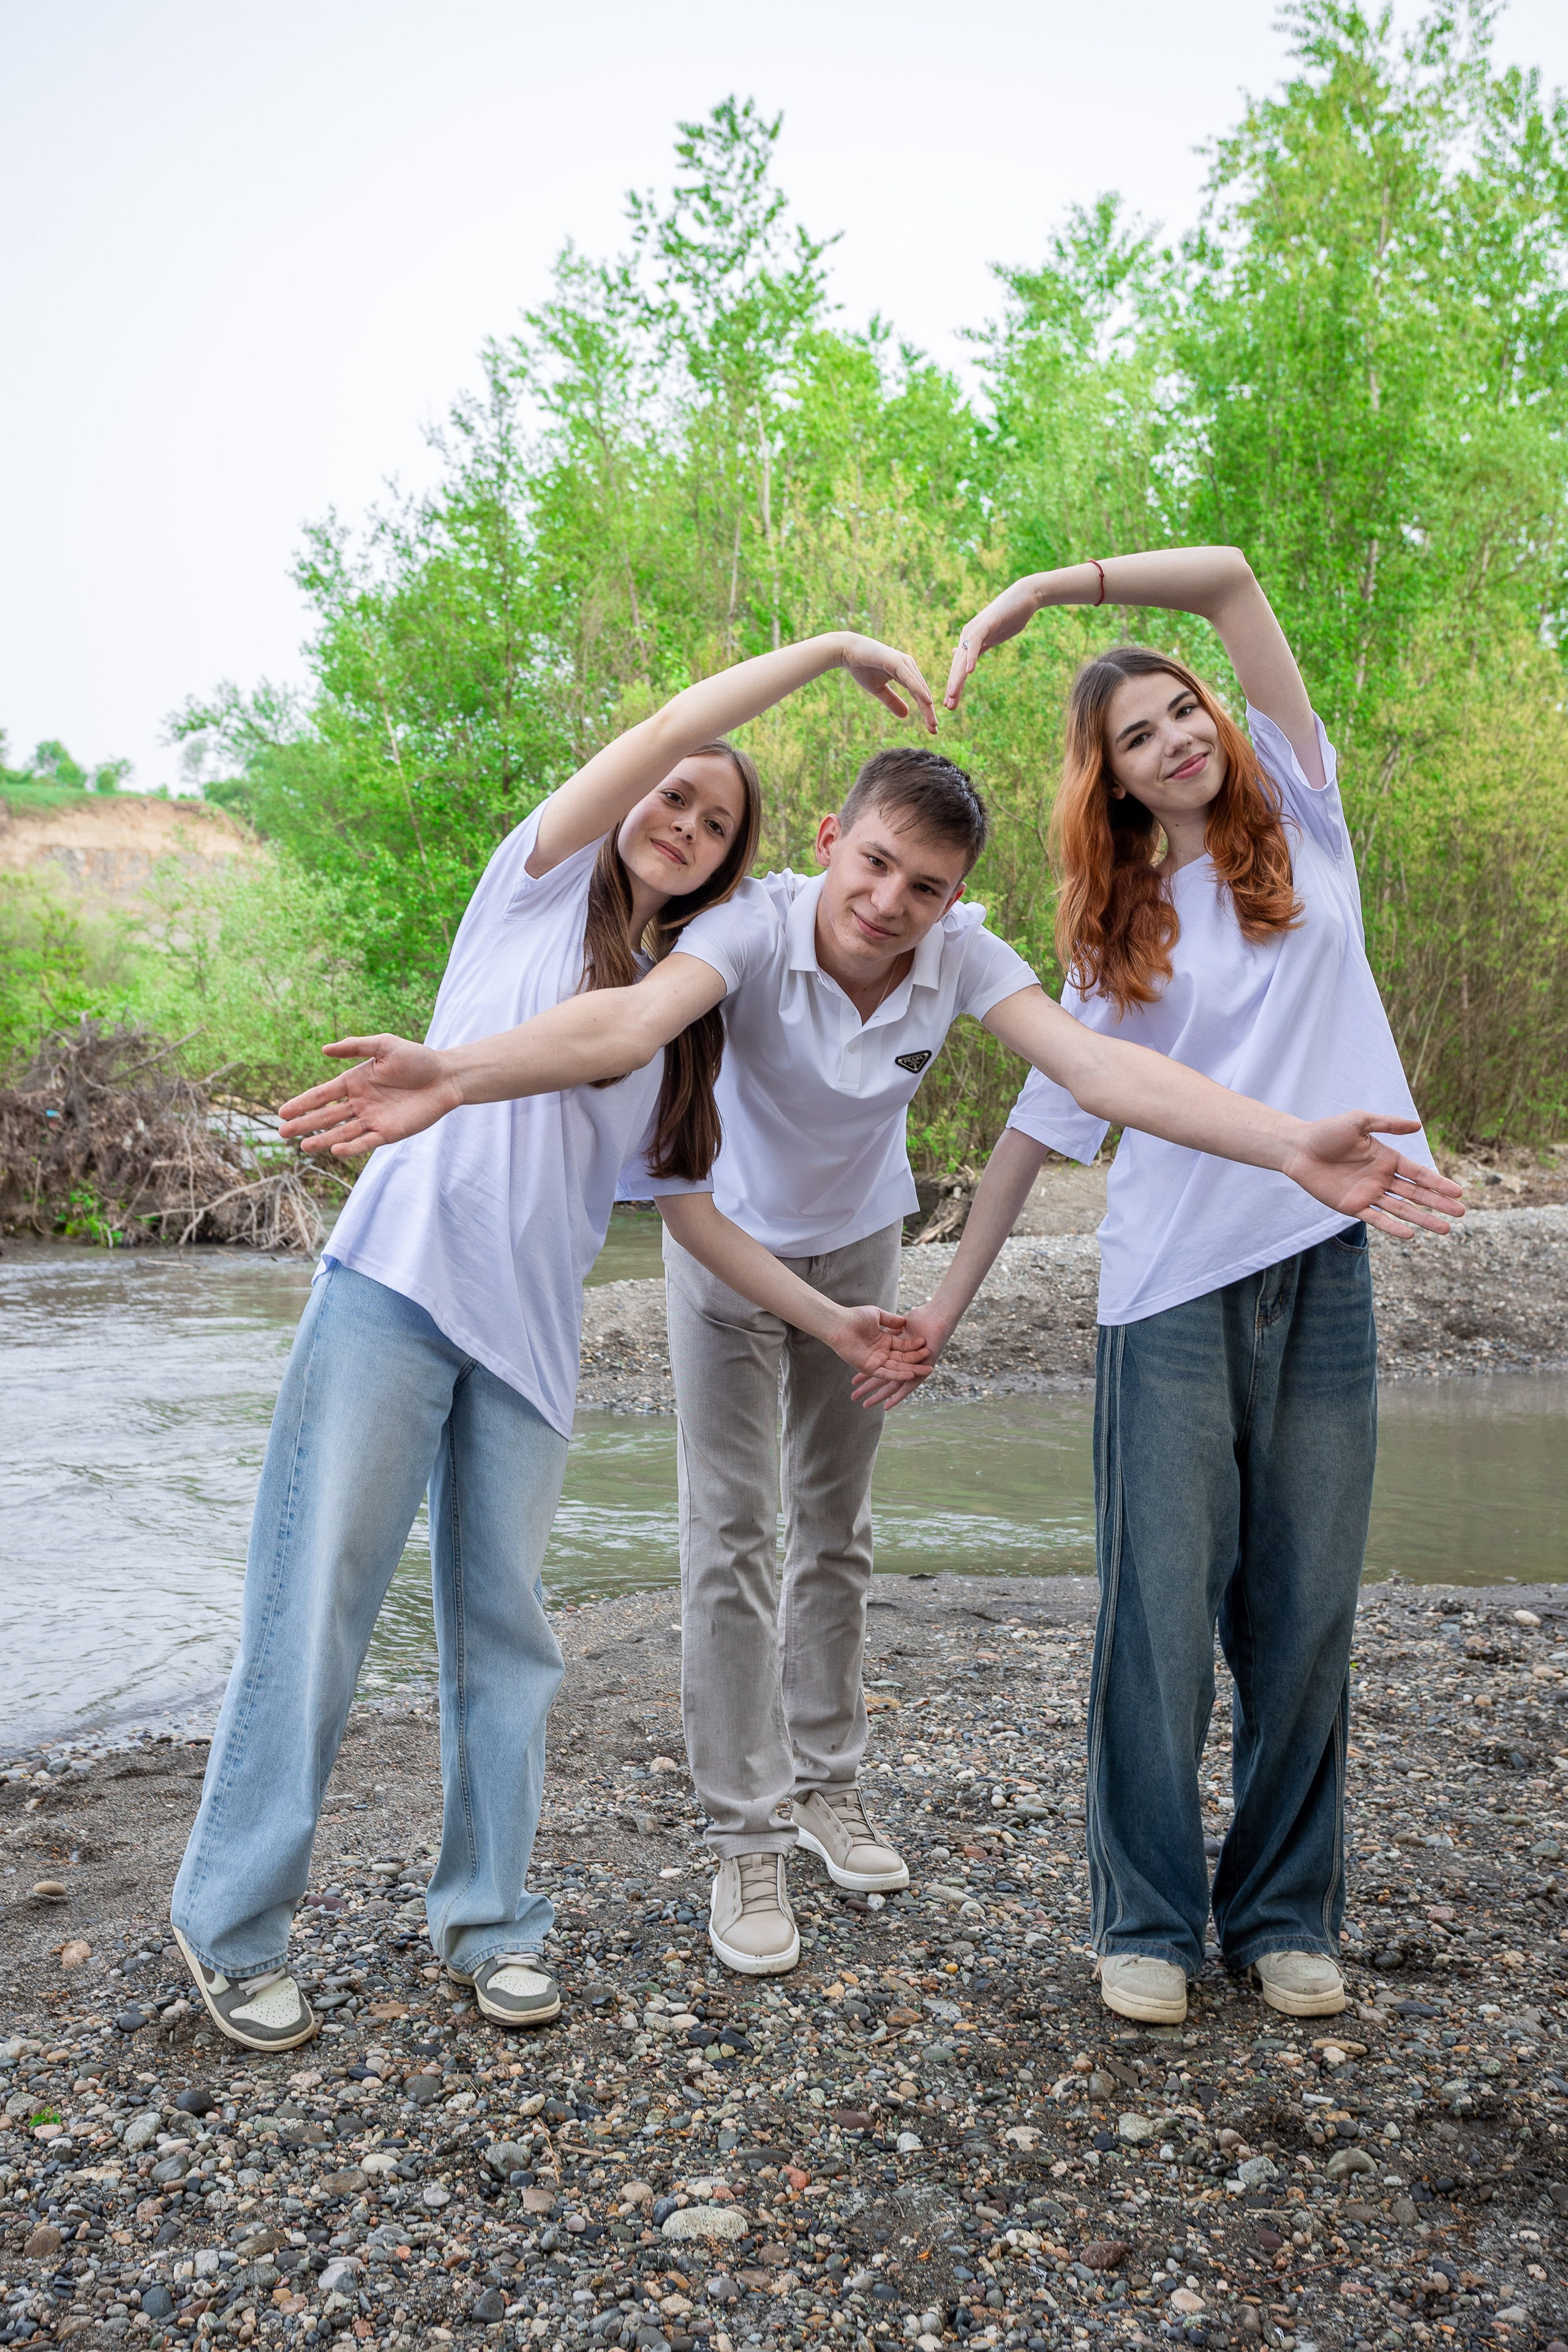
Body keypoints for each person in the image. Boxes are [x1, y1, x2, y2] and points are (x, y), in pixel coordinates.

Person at [281, 652, 1460, 1986]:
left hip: (859, 1247)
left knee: (833, 1535)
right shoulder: (748, 928)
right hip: (719, 1243)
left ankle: (827, 1784)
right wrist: (452, 1073)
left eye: (927, 889)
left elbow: (1094, 1071)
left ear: (956, 902)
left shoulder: (955, 955)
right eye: (875, 866)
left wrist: (1286, 1143)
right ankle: (745, 1839)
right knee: (729, 1536)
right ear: (832, 841)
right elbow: (623, 1029)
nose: (890, 904)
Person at [168, 630, 940, 2052]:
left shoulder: (668, 1019)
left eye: (715, 825)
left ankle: (489, 1922)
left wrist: (837, 1318)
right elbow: (667, 730)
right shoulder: (525, 891)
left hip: (529, 1347)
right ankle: (231, 1923)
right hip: (394, 1291)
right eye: (673, 799)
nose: (684, 823)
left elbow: (691, 1220)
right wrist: (825, 651)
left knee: (507, 1643)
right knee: (319, 1605)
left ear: (724, 863)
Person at [897, 543, 1461, 2027]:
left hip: (1320, 1270)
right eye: (1136, 736)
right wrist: (942, 1310)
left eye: (1179, 710)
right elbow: (1041, 1127)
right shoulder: (1116, 930)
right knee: (1156, 1618)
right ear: (1119, 785)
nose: (1175, 738)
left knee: (1303, 1612)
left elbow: (1222, 578)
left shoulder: (1311, 822)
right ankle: (1143, 1919)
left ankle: (1279, 1912)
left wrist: (1036, 595)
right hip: (1162, 1295)